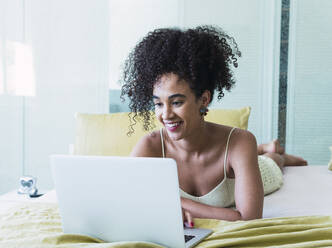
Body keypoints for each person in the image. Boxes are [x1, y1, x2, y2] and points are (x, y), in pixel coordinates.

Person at [120, 26, 307, 224]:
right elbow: (128, 202)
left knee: (271, 163)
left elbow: (248, 218)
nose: (165, 114)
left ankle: (272, 152)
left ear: (204, 99)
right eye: (158, 103)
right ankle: (263, 148)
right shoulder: (150, 147)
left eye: (176, 102)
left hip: (260, 167)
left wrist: (175, 204)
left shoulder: (241, 142)